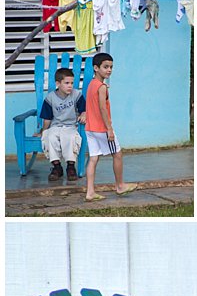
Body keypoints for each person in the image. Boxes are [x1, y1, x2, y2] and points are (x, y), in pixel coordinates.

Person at [84, 52, 137, 202]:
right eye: (105, 67)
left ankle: (90, 192)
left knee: (93, 158)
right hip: (101, 129)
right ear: (96, 68)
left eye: (111, 67)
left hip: (90, 129)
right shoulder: (101, 87)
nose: (109, 70)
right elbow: (102, 108)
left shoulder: (92, 85)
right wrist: (109, 129)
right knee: (117, 154)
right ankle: (120, 186)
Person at [36, 67, 86, 182]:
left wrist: (84, 114)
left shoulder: (76, 95)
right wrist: (43, 131)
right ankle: (57, 167)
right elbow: (47, 118)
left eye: (72, 83)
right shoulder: (50, 98)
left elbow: (84, 109)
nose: (70, 86)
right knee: (50, 137)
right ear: (58, 83)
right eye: (66, 83)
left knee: (70, 138)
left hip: (71, 126)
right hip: (55, 126)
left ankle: (70, 166)